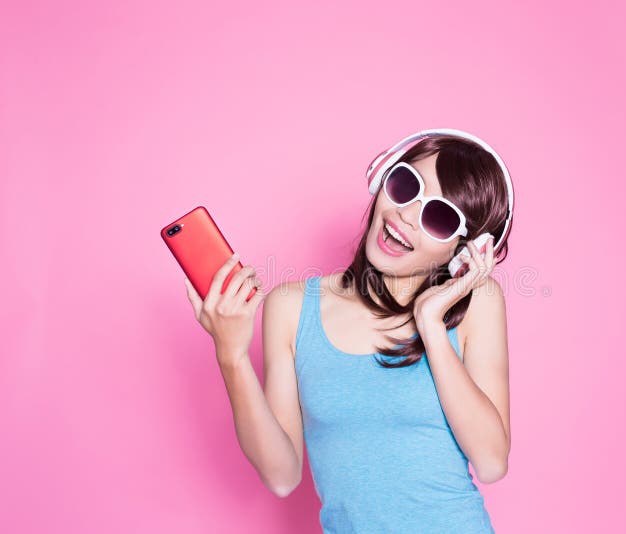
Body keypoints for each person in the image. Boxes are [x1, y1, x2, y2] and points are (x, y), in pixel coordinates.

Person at [184, 129, 513, 533]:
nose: (407, 214)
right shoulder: (291, 308)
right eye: (406, 185)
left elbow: (492, 462)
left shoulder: (476, 304)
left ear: (464, 251)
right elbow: (282, 476)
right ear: (381, 179)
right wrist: (231, 355)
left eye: (439, 216)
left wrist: (430, 323)